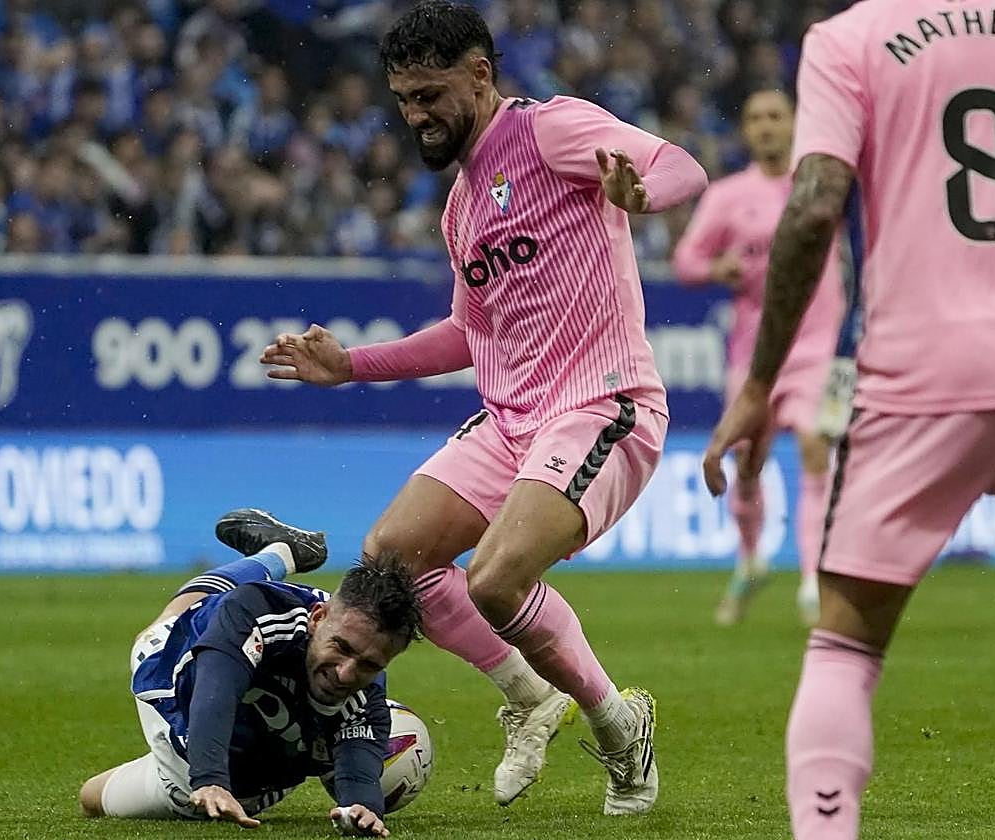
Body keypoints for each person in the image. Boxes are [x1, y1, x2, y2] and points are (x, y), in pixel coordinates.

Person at [701, 1, 995, 837]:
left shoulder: (851, 40)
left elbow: (811, 210)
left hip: (921, 380)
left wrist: (760, 381)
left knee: (845, 648)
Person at [259, 0, 707, 815]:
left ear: (480, 73)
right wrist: (351, 366)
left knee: (495, 581)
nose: (416, 115)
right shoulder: (461, 208)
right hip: (512, 423)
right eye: (403, 99)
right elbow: (469, 333)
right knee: (392, 554)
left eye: (430, 94)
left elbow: (682, 167)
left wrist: (642, 194)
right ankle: (533, 696)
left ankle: (617, 724)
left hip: (602, 404)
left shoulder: (549, 131)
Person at [78, 508, 422, 837]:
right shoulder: (257, 614)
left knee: (90, 799)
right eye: (342, 648)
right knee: (176, 620)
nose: (347, 674)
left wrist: (362, 807)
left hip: (230, 786)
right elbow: (217, 684)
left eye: (370, 664)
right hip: (175, 691)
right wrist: (210, 778)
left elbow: (358, 755)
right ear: (317, 618)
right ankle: (279, 555)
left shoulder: (367, 687)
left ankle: (281, 553)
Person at [672, 88, 843, 627]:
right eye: (755, 118)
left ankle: (814, 581)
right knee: (748, 465)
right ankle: (750, 559)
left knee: (817, 445)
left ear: (795, 122)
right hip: (754, 355)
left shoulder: (824, 182)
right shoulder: (728, 196)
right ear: (745, 131)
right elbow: (686, 259)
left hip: (819, 349)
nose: (766, 126)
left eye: (776, 116)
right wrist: (714, 269)